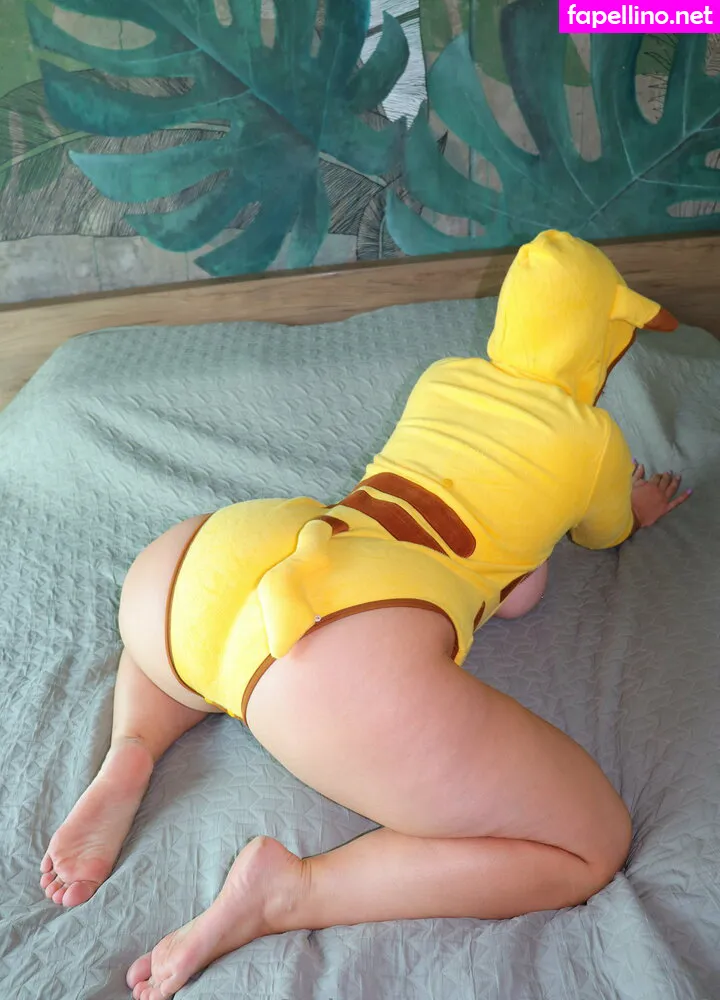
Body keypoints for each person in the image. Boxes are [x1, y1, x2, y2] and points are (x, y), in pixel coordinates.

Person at [39, 231, 692, 1000]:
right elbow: (604, 531)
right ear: (603, 344)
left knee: (190, 638)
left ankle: (134, 748)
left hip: (208, 563)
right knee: (590, 844)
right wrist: (636, 505)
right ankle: (289, 892)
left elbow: (504, 554)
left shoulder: (445, 378)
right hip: (341, 636)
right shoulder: (594, 439)